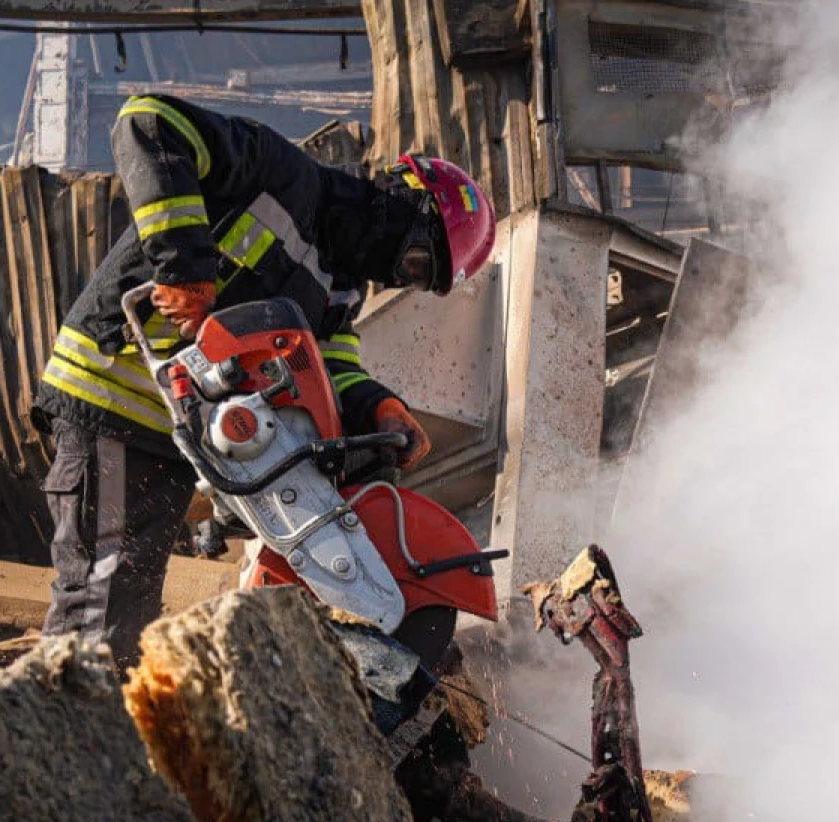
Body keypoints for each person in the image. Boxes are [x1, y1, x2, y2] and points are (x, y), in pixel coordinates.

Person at [33, 92, 496, 670]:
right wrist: (185, 270)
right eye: (416, 263)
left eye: (417, 281)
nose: (399, 276)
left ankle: (94, 743)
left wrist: (377, 406)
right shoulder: (280, 172)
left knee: (125, 610)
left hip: (176, 434)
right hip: (114, 393)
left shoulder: (340, 286)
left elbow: (326, 366)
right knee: (99, 612)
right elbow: (150, 121)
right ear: (404, 203)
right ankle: (49, 751)